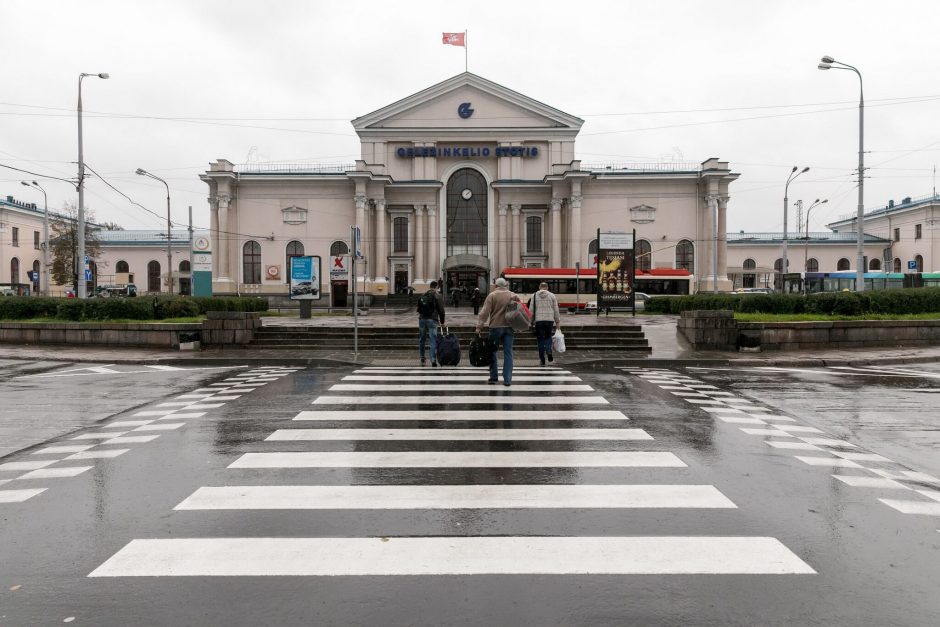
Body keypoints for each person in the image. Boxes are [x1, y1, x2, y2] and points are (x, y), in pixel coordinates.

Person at [475, 277, 516, 386]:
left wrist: (479, 327)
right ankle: (507, 379)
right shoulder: (512, 295)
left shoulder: (492, 295)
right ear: (506, 285)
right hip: (509, 327)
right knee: (508, 352)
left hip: (495, 327)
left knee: (492, 351)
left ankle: (493, 377)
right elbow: (516, 312)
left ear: (496, 285)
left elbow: (484, 312)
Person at [530, 281, 561, 366]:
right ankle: (549, 350)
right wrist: (557, 322)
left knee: (540, 339)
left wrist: (530, 321)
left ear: (539, 287)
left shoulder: (534, 295)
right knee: (548, 337)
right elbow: (556, 310)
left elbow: (531, 310)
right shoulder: (552, 295)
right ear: (547, 288)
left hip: (539, 320)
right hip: (549, 320)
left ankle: (542, 358)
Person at [417, 281, 446, 367]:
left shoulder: (423, 295)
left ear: (430, 287)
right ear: (436, 287)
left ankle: (422, 358)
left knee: (422, 339)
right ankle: (433, 360)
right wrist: (442, 322)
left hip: (422, 319)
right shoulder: (437, 296)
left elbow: (418, 308)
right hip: (432, 320)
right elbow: (441, 311)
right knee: (432, 340)